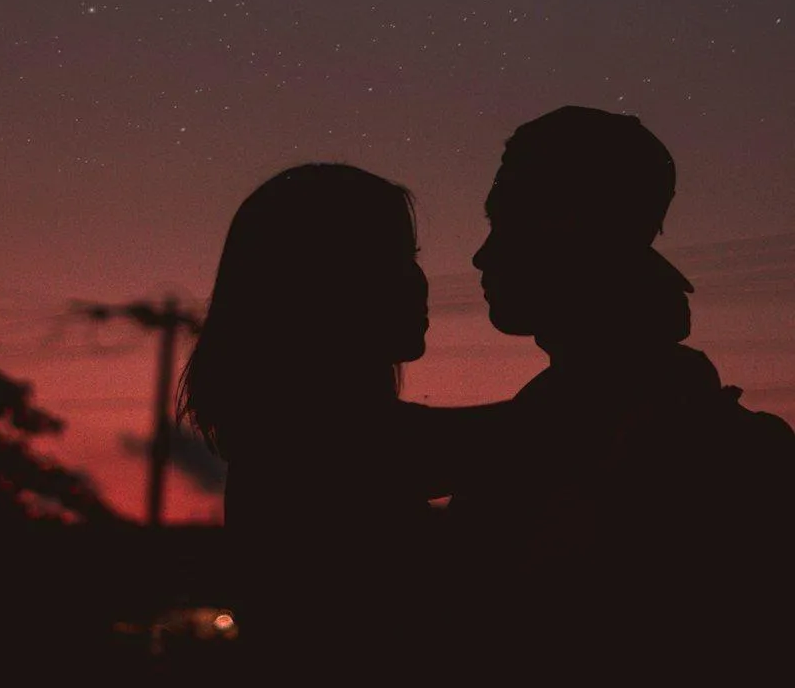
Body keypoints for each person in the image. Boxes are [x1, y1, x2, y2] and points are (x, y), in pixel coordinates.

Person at [446, 105, 795, 685]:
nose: (483, 255)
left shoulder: (643, 443)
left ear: (570, 225)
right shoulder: (604, 413)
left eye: (506, 221)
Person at [177, 162, 503, 682]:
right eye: (395, 258)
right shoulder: (308, 441)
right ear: (322, 283)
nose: (419, 280)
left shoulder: (287, 434)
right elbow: (527, 434)